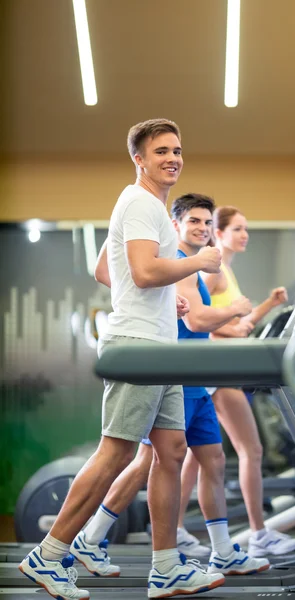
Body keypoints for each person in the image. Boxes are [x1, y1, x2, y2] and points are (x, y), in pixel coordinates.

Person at [19, 119, 224, 600]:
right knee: (118, 451)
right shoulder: (138, 202)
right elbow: (144, 268)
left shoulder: (148, 207)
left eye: (177, 149)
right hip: (140, 346)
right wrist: (194, 264)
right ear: (140, 159)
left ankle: (166, 567)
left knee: (172, 451)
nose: (172, 157)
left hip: (162, 346)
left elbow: (105, 268)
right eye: (161, 151)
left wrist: (159, 296)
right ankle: (48, 555)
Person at [72, 194, 271, 585]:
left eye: (207, 223)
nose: (202, 229)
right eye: (194, 222)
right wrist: (235, 308)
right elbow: (197, 321)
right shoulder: (174, 261)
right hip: (175, 376)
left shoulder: (184, 267)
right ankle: (90, 538)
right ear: (175, 225)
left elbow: (106, 271)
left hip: (195, 380)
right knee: (143, 462)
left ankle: (222, 551)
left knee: (212, 460)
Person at [177, 206, 295, 558]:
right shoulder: (214, 273)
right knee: (251, 450)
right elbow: (202, 320)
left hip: (221, 368)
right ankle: (258, 532)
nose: (244, 235)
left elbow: (240, 323)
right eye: (238, 229)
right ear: (220, 233)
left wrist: (268, 305)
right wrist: (231, 325)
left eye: (247, 229)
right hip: (219, 370)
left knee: (194, 456)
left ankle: (174, 527)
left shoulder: (226, 271)